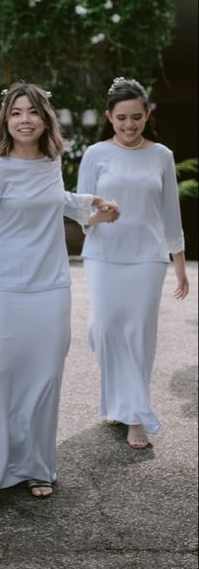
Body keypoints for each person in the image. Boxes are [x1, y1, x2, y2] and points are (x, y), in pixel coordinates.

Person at [0, 83, 118, 510]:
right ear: (5, 120)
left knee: (43, 378)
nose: (25, 119)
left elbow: (55, 200)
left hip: (51, 286)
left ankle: (35, 465)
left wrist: (89, 204)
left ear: (45, 118)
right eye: (16, 112)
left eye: (32, 111)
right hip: (4, 287)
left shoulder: (52, 162)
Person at [77, 77, 188, 449]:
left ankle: (136, 415)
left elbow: (170, 213)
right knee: (105, 328)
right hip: (103, 254)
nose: (129, 125)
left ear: (146, 115)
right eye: (122, 118)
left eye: (136, 117)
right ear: (109, 116)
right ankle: (116, 399)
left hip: (147, 256)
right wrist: (99, 217)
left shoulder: (162, 155)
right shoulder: (94, 154)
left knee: (139, 333)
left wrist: (180, 264)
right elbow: (80, 213)